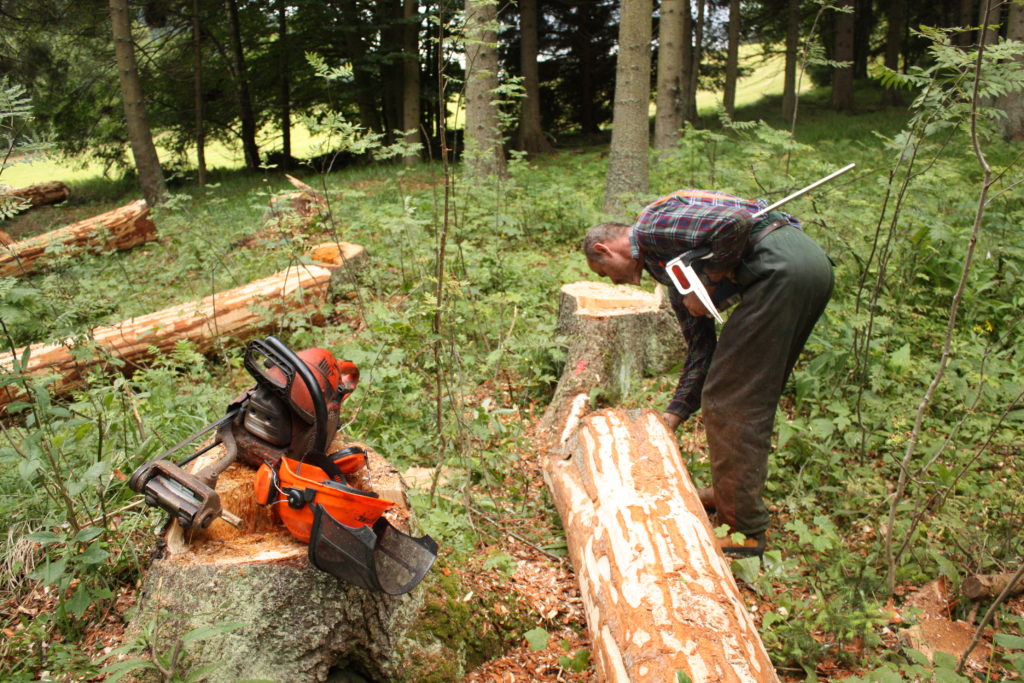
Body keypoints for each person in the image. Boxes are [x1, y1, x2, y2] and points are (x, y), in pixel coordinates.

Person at [582, 189, 833, 557]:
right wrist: (672, 417)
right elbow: (702, 353)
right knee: (748, 392)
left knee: (730, 401)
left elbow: (735, 223)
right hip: (808, 267)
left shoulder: (650, 228)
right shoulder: (672, 275)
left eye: (608, 275)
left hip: (781, 269)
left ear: (605, 249)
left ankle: (744, 532)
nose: (620, 285)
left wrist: (712, 282)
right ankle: (729, 495)